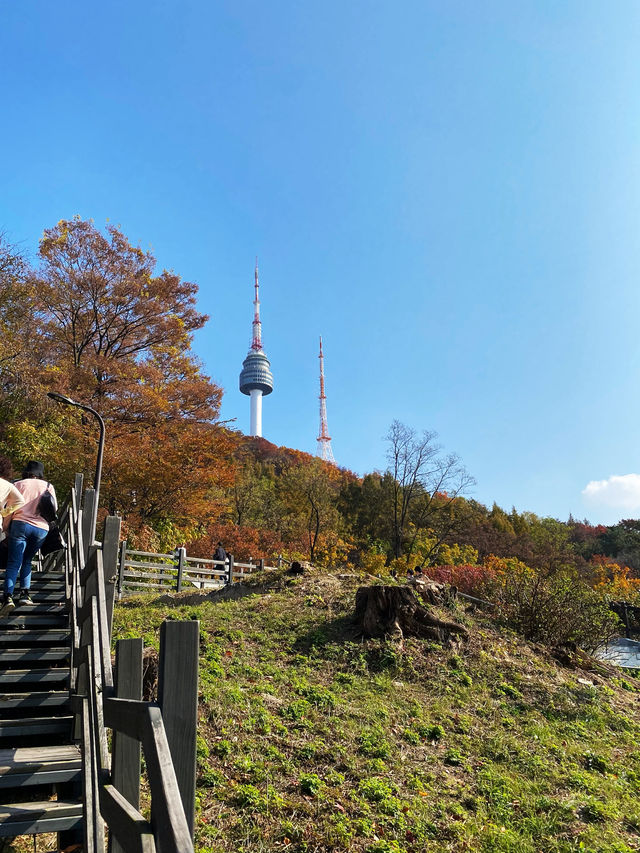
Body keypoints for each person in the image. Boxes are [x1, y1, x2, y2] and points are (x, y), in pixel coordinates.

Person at [1, 461, 57, 615]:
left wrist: (5, 529)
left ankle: (8, 597)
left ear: (26, 472)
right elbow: (54, 509)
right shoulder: (48, 486)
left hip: (20, 524)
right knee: (27, 560)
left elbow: (9, 509)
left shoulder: (18, 484)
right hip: (41, 529)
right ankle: (25, 594)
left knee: (14, 562)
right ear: (40, 473)